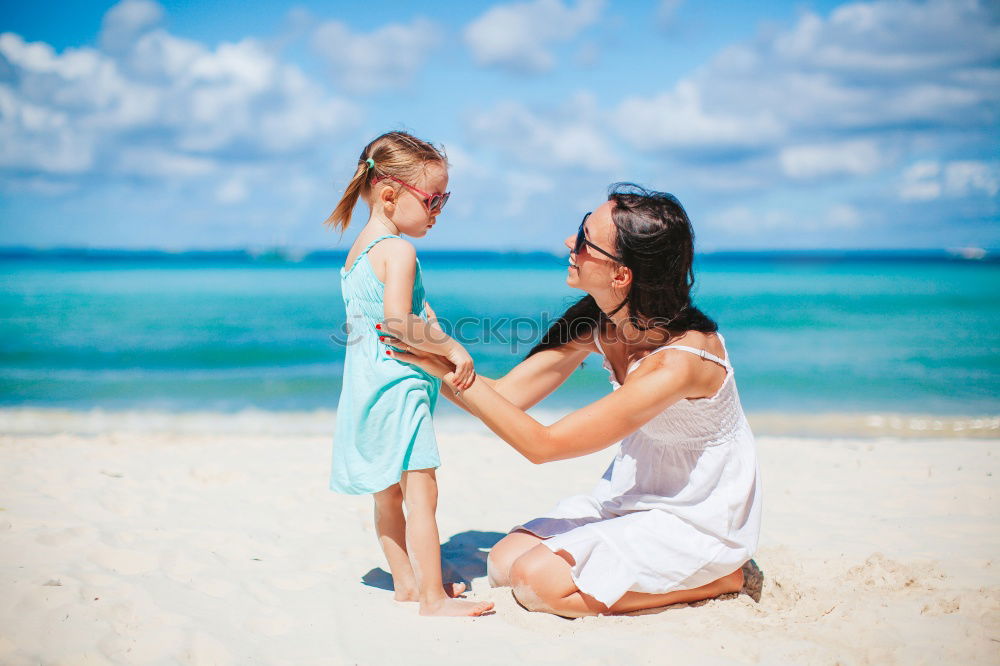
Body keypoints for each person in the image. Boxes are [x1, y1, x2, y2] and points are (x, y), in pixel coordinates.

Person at [386, 183, 762, 618]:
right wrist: (430, 354)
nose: (570, 243)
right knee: (504, 562)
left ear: (621, 275)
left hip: (698, 516)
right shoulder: (599, 320)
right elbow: (507, 396)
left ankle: (725, 577)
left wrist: (441, 362)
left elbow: (543, 445)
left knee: (538, 585)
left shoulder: (680, 362)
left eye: (585, 240)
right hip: (635, 496)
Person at [326, 131, 492, 617]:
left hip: (365, 391)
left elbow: (416, 309)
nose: (439, 210)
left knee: (387, 496)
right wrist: (453, 348)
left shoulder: (359, 252)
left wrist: (434, 330)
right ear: (390, 194)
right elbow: (399, 322)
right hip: (399, 388)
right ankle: (432, 599)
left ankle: (406, 584)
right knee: (422, 494)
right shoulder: (399, 251)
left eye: (445, 199)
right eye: (433, 199)